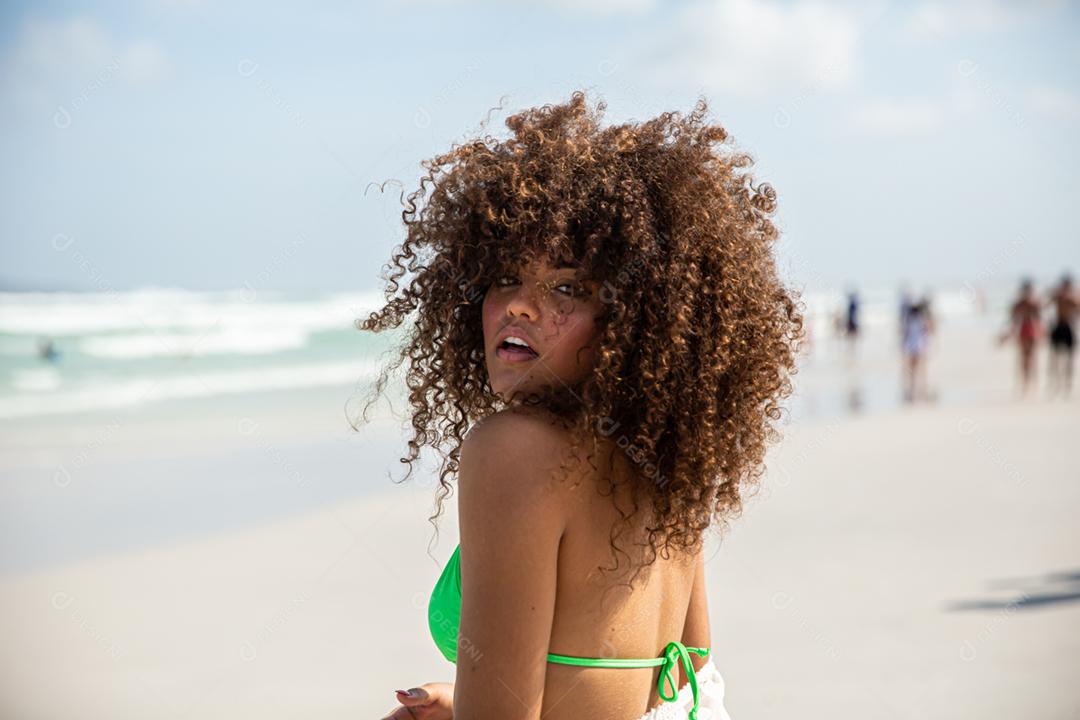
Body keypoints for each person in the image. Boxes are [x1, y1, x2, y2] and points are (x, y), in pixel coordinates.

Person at [356, 91, 803, 720]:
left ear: (637, 320)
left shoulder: (512, 450)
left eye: (567, 287)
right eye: (505, 276)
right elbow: (690, 664)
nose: (518, 304)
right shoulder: (663, 450)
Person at [1000, 278, 1043, 397]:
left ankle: (1031, 383)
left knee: (1031, 358)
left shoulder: (1034, 303)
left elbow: (1039, 320)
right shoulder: (1019, 303)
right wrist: (1008, 334)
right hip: (1024, 330)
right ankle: (1025, 383)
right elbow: (1013, 320)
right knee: (1023, 359)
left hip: (1031, 330)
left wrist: (1041, 333)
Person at [1046, 273, 1078, 398]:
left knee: (1069, 359)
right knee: (1055, 358)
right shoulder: (1058, 296)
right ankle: (1056, 384)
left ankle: (1067, 385)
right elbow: (1045, 306)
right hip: (1058, 326)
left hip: (1068, 328)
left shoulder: (1073, 297)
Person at [900, 295, 935, 403]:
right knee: (921, 367)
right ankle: (921, 387)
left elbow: (905, 333)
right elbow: (929, 330)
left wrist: (902, 345)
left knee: (912, 369)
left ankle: (913, 388)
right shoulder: (921, 320)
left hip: (911, 346)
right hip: (919, 345)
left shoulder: (909, 320)